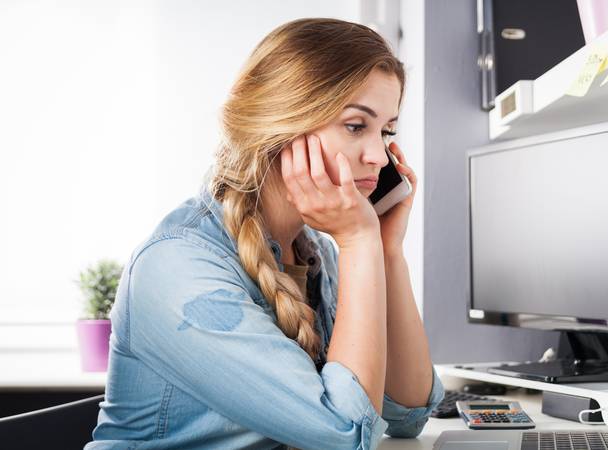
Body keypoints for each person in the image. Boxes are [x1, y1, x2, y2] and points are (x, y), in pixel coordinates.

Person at [87, 18, 443, 450]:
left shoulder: (318, 256)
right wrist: (360, 243)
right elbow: (347, 434)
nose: (380, 157)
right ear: (282, 125)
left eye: (387, 130)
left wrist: (386, 251)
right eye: (356, 126)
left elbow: (408, 413)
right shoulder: (178, 267)